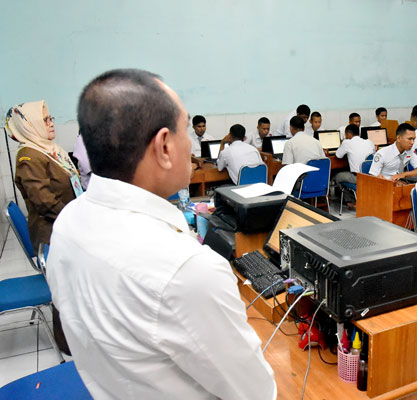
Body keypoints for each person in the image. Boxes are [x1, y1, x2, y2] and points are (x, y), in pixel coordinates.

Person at [46, 69, 276, 400]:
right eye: (185, 129)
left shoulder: (69, 221)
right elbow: (256, 392)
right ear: (164, 146)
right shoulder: (188, 269)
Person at [6, 100, 80, 355]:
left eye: (50, 118)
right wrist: (79, 219)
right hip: (52, 235)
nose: (51, 123)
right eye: (45, 120)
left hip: (65, 228)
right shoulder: (29, 157)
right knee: (63, 290)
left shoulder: (49, 150)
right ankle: (67, 344)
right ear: (31, 125)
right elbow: (45, 201)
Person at [334, 124, 375, 206]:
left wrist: (342, 144)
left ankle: (349, 201)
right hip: (371, 177)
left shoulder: (347, 142)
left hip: (358, 178)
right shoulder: (369, 142)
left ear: (348, 134)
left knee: (337, 176)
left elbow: (338, 155)